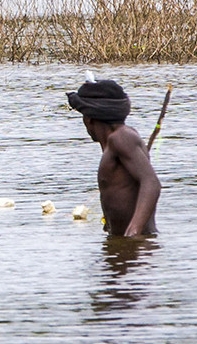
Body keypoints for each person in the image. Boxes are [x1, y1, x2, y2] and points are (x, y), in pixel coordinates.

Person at [67, 78, 161, 237]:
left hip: (135, 246)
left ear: (89, 119)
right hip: (121, 243)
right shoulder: (119, 140)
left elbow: (151, 183)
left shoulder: (121, 138)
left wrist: (134, 230)